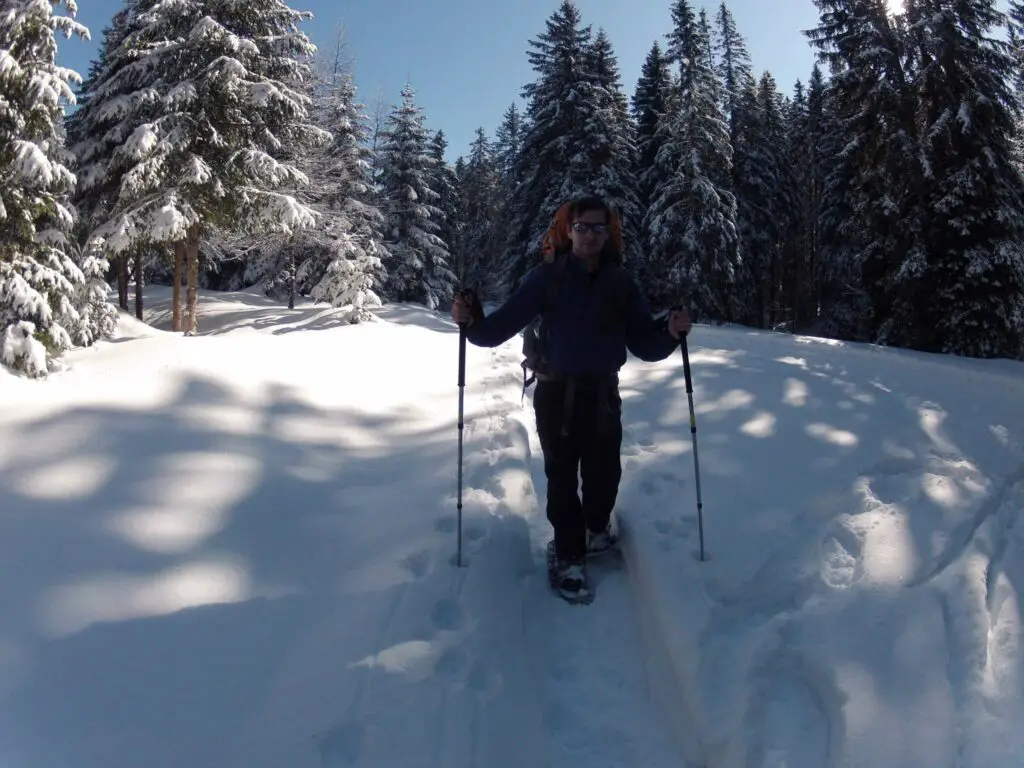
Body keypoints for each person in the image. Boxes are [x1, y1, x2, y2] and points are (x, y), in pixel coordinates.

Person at [452, 196, 691, 599]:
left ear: (609, 234)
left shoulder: (620, 283)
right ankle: (568, 556)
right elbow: (496, 329)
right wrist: (470, 319)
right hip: (556, 393)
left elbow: (645, 344)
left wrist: (670, 332)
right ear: (568, 230)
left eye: (599, 228)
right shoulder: (548, 278)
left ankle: (596, 529)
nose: (590, 236)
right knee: (562, 478)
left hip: (603, 394)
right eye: (583, 227)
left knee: (604, 475)